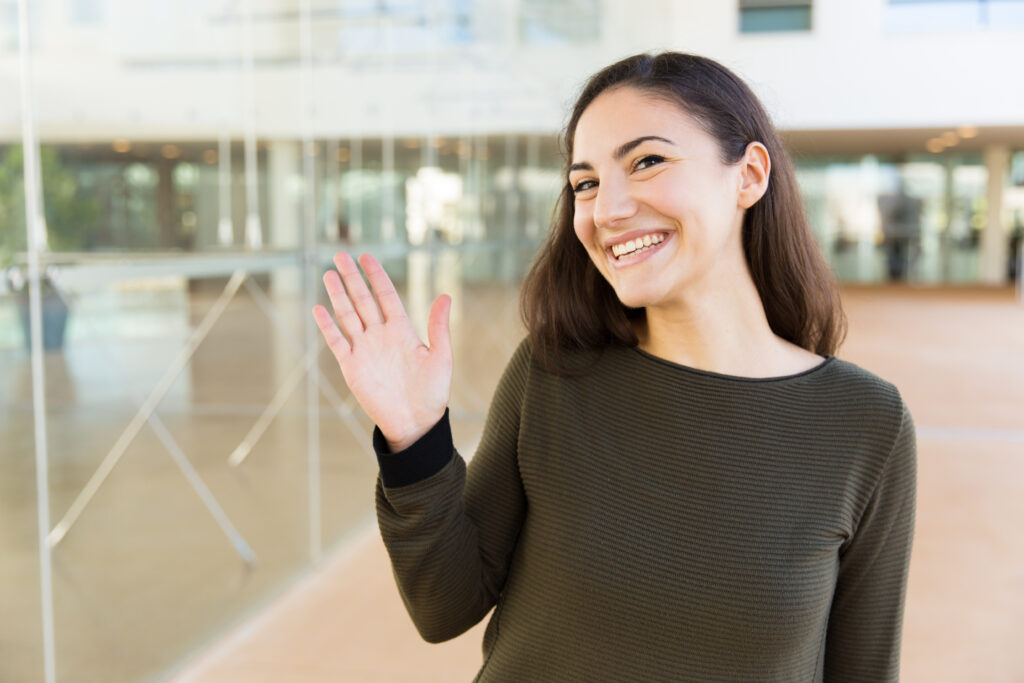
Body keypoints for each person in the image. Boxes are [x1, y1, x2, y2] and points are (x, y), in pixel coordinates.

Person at [313, 52, 916, 682]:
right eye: (585, 183)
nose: (606, 210)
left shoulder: (867, 424)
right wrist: (415, 438)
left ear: (750, 175)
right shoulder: (552, 376)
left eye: (647, 161)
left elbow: (865, 669)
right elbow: (444, 606)